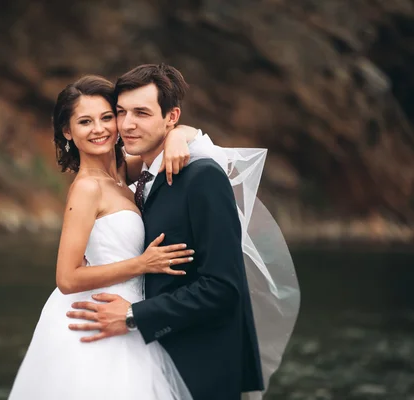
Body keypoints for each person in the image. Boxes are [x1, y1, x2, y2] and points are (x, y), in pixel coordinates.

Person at [66, 64, 300, 400]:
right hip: (150, 358)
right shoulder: (139, 173)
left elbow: (223, 287)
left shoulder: (202, 177)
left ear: (170, 116)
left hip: (199, 365)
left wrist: (133, 316)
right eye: (121, 112)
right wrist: (180, 133)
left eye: (142, 113)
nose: (128, 124)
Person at [8, 74, 216, 400]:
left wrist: (175, 137)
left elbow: (187, 133)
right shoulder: (87, 188)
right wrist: (143, 263)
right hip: (96, 318)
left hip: (128, 313)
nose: (100, 129)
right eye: (85, 121)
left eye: (107, 117)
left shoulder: (120, 172)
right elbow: (66, 277)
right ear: (67, 131)